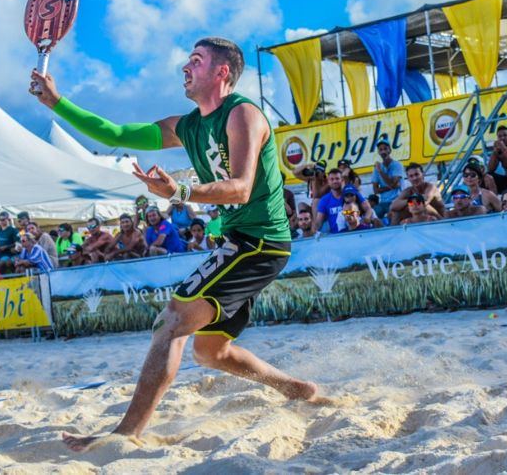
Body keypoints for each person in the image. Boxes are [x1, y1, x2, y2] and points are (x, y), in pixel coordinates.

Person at [35, 36, 322, 450]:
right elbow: (115, 132)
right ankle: (298, 389)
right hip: (241, 242)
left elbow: (240, 189)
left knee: (171, 322)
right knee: (211, 351)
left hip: (260, 242)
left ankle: (126, 433)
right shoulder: (185, 125)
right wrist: (57, 104)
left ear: (222, 72)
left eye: (196, 61)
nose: (185, 68)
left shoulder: (243, 114)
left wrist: (180, 192)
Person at [370, 140, 403, 221]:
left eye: (385, 148)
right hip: (383, 202)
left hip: (396, 200)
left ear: (390, 150)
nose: (383, 151)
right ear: (378, 152)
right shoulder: (377, 167)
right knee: (372, 216)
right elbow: (375, 190)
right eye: (380, 149)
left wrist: (380, 171)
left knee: (393, 218)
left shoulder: (397, 165)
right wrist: (393, 186)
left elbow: (391, 183)